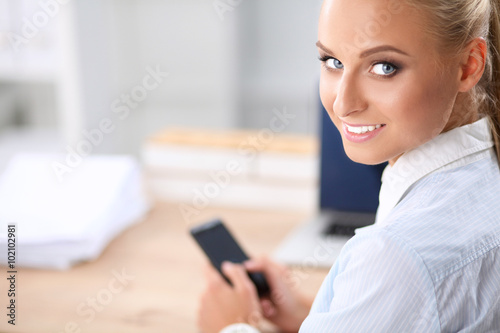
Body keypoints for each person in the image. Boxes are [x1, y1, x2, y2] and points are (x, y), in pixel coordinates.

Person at [197, 0, 500, 331]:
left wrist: (232, 325)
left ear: (469, 66)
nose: (343, 103)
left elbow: (413, 274)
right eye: (333, 61)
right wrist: (314, 315)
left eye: (384, 67)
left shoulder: (396, 256)